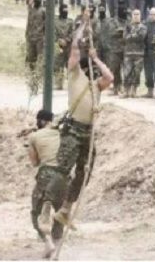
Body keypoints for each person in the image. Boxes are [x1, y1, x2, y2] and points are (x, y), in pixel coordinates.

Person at [50, 31, 113, 241]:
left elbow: (110, 77)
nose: (92, 71)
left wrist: (97, 58)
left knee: (84, 174)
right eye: (91, 68)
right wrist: (82, 26)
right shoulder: (75, 76)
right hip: (73, 131)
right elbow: (75, 52)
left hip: (88, 133)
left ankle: (65, 209)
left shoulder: (97, 86)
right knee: (62, 172)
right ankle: (51, 209)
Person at [27, 109, 61, 257]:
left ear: (40, 121)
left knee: (36, 211)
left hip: (46, 174)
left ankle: (47, 241)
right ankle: (56, 245)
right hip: (64, 175)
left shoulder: (34, 136)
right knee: (60, 212)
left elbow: (35, 163)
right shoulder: (61, 133)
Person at [121, 9, 147, 98]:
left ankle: (134, 91)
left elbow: (141, 37)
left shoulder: (143, 27)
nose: (136, 16)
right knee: (126, 73)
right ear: (132, 16)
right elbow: (124, 38)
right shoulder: (127, 26)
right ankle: (126, 91)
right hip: (128, 53)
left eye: (138, 14)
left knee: (137, 73)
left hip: (139, 54)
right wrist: (133, 35)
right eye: (134, 14)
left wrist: (131, 34)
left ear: (140, 16)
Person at [25, 0, 46, 72]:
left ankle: (39, 73)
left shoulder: (43, 11)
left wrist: (45, 36)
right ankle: (32, 73)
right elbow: (28, 23)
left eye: (38, 0)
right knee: (31, 57)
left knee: (40, 57)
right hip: (30, 37)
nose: (36, 1)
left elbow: (46, 24)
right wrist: (27, 34)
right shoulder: (31, 10)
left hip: (40, 38)